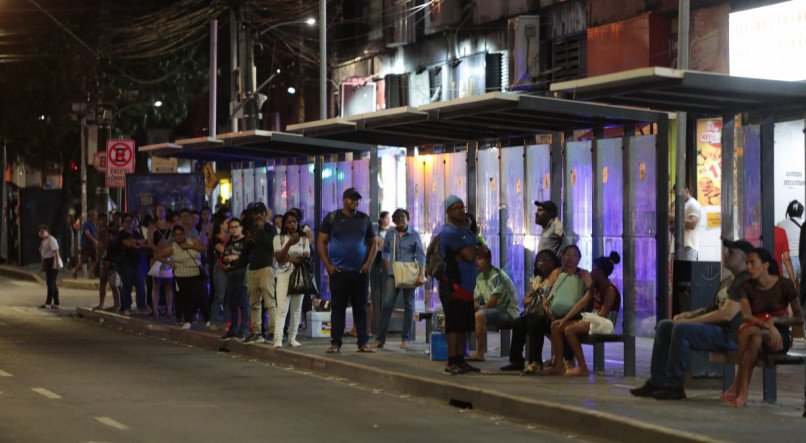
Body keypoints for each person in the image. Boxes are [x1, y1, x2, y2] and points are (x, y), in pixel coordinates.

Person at [630, 238, 753, 400]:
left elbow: (726, 314)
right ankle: (657, 381)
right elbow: (712, 309)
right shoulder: (727, 281)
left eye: (731, 253)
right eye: (726, 251)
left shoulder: (744, 282)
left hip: (731, 335)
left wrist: (689, 322)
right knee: (665, 326)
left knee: (682, 329)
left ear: (745, 259)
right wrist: (689, 315)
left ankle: (674, 385)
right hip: (719, 331)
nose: (726, 255)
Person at [723, 247, 803, 407]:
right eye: (747, 263)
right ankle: (743, 392)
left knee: (753, 335)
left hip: (777, 338)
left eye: (753, 263)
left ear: (765, 265)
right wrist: (767, 325)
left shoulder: (784, 285)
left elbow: (799, 317)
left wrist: (775, 322)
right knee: (755, 339)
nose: (749, 267)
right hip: (754, 331)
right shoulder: (745, 286)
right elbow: (747, 316)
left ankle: (739, 386)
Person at [318, 187, 377, 354]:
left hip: (360, 273)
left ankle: (363, 343)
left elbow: (374, 243)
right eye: (351, 199)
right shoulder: (332, 218)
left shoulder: (364, 219)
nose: (355, 202)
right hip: (338, 272)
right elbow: (321, 242)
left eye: (357, 199)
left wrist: (368, 264)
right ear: (344, 200)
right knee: (338, 308)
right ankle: (335, 343)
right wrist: (328, 266)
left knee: (361, 308)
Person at [549, 252, 621, 376]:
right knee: (556, 326)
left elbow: (603, 314)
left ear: (600, 272)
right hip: (593, 319)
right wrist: (564, 319)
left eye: (593, 269)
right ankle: (558, 365)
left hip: (605, 323)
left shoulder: (610, 289)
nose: (591, 272)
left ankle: (583, 367)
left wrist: (582, 321)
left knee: (570, 330)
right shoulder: (595, 285)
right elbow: (582, 303)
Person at [438, 195, 481, 374]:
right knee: (454, 325)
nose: (460, 211)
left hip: (467, 285)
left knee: (464, 325)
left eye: (462, 207)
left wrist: (472, 250)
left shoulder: (466, 231)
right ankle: (452, 361)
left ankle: (461, 360)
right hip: (453, 284)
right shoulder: (450, 232)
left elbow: (483, 250)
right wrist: (472, 251)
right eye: (456, 208)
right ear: (448, 211)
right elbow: (471, 255)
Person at [501, 249, 561, 373]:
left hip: (550, 314)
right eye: (540, 260)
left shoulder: (556, 275)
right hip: (535, 313)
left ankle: (536, 361)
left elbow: (549, 294)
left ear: (555, 262)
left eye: (548, 259)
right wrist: (533, 293)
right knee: (518, 322)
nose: (544, 262)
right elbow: (525, 301)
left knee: (533, 323)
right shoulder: (536, 279)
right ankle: (516, 360)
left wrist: (538, 292)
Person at [373, 208, 425, 350]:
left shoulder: (414, 235)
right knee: (387, 304)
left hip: (409, 273)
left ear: (408, 219)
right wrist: (389, 265)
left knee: (409, 305)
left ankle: (406, 339)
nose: (401, 220)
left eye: (403, 218)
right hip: (393, 274)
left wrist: (421, 274)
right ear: (394, 221)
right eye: (398, 218)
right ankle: (380, 339)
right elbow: (385, 251)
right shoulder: (391, 233)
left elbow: (421, 255)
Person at [536, 245, 592, 375]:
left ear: (579, 259)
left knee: (562, 326)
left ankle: (569, 363)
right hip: (554, 314)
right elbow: (546, 294)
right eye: (568, 253)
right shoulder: (557, 273)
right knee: (544, 323)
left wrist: (565, 318)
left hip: (575, 315)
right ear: (562, 256)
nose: (570, 258)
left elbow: (589, 296)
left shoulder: (583, 274)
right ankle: (557, 364)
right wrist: (548, 310)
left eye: (574, 255)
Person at [154, 225, 213, 330]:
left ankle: (207, 320)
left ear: (184, 234)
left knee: (201, 296)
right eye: (175, 235)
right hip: (182, 275)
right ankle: (187, 320)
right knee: (185, 298)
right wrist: (169, 263)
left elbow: (203, 248)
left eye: (180, 234)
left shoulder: (192, 240)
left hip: (196, 273)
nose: (178, 237)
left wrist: (190, 246)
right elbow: (158, 255)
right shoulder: (172, 247)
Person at [468, 244, 519, 362]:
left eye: (480, 258)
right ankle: (462, 352)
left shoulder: (496, 274)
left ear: (489, 259)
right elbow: (476, 298)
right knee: (466, 315)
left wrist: (480, 310)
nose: (476, 262)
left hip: (508, 311)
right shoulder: (480, 276)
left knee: (479, 315)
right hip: (495, 310)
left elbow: (493, 299)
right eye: (475, 258)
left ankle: (480, 353)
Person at [273, 211, 311, 347]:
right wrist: (289, 244)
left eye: (294, 221)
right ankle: (277, 339)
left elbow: (305, 257)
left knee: (296, 309)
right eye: (289, 222)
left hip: (299, 275)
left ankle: (292, 338)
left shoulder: (304, 239)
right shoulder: (279, 238)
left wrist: (289, 259)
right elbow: (278, 258)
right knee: (282, 308)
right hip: (283, 275)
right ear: (284, 224)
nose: (292, 224)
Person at [245, 203, 276, 344]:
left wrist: (262, 231)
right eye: (255, 213)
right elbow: (246, 250)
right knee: (254, 302)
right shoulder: (250, 229)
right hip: (252, 268)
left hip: (265, 268)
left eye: (261, 212)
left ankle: (273, 332)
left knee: (269, 301)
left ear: (265, 214)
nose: (258, 215)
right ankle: (256, 332)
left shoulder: (270, 228)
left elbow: (272, 246)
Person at [220, 218, 253, 341]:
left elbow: (250, 257)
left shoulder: (247, 241)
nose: (233, 229)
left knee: (244, 302)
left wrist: (236, 257)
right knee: (232, 302)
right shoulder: (229, 242)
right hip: (231, 273)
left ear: (241, 227)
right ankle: (233, 329)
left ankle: (243, 330)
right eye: (231, 227)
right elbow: (224, 257)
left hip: (243, 273)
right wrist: (228, 259)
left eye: (236, 226)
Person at [118, 213, 148, 316]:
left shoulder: (136, 233)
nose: (129, 223)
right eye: (126, 221)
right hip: (126, 263)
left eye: (131, 221)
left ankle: (141, 306)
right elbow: (128, 243)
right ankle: (126, 307)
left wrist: (135, 242)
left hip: (137, 262)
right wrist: (136, 243)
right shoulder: (122, 233)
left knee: (140, 284)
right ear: (123, 223)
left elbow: (144, 242)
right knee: (127, 285)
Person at [146, 203, 173, 318]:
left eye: (162, 210)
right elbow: (150, 243)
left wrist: (167, 253)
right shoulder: (152, 227)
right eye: (157, 210)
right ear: (155, 213)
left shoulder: (171, 226)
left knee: (168, 285)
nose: (160, 212)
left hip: (169, 258)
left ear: (166, 212)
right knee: (156, 285)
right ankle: (155, 310)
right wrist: (160, 252)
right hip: (156, 257)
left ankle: (169, 310)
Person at [367, 211, 391, 337]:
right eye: (387, 217)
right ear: (381, 219)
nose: (389, 220)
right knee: (374, 294)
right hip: (376, 263)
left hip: (387, 263)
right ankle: (374, 327)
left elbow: (383, 244)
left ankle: (381, 326)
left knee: (385, 294)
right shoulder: (376, 230)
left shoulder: (392, 231)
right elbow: (377, 243)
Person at [669, 185, 701, 261]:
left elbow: (692, 224)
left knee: (687, 272)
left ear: (686, 191)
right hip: (675, 247)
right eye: (675, 194)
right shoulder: (677, 206)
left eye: (678, 193)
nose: (677, 196)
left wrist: (674, 217)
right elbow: (671, 226)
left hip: (688, 247)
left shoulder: (693, 204)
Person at [209, 216, 230, 326]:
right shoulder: (215, 238)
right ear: (220, 224)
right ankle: (213, 321)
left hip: (232, 266)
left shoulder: (232, 237)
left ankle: (227, 322)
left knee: (229, 296)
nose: (229, 225)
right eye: (227, 223)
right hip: (220, 267)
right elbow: (223, 250)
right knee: (220, 295)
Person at [777, 200, 802, 283]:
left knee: (790, 287)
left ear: (788, 212)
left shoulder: (781, 224)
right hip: (803, 259)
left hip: (789, 260)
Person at [38, 225, 62, 309]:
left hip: (54, 263)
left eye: (43, 231)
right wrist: (42, 266)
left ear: (47, 231)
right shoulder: (44, 241)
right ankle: (56, 303)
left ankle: (48, 303)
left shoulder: (51, 239)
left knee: (50, 283)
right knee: (52, 283)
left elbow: (56, 251)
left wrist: (58, 264)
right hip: (48, 263)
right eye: (40, 231)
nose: (41, 233)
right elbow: (43, 255)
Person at [71, 209, 99, 278]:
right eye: (94, 216)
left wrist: (96, 241)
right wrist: (94, 240)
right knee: (83, 259)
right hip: (87, 244)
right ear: (91, 216)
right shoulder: (86, 223)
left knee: (95, 259)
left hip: (93, 245)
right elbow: (87, 233)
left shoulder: (93, 223)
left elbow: (94, 233)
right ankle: (74, 270)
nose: (96, 217)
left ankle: (90, 274)